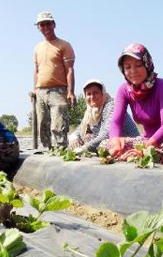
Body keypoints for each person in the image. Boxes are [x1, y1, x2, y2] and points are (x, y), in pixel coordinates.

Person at [107, 43, 163, 165]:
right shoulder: (124, 90)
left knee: (138, 156)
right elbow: (116, 122)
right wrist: (115, 143)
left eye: (138, 65)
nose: (133, 71)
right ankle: (131, 154)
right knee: (105, 145)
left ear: (147, 64)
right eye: (127, 67)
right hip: (145, 141)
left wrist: (145, 148)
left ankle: (135, 156)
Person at [32, 11, 75, 150]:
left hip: (58, 90)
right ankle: (46, 150)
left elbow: (70, 69)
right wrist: (35, 89)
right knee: (42, 124)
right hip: (40, 91)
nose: (45, 27)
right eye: (42, 24)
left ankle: (61, 150)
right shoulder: (37, 47)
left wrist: (71, 92)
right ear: (38, 27)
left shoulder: (64, 45)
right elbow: (37, 70)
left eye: (48, 23)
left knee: (58, 123)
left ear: (54, 24)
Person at [68, 79, 139, 153]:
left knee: (103, 144)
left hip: (128, 141)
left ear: (103, 94)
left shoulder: (112, 106)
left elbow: (106, 134)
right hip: (111, 142)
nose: (92, 96)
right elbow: (80, 130)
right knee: (83, 138)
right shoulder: (90, 112)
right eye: (88, 94)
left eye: (95, 93)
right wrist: (74, 137)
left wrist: (84, 148)